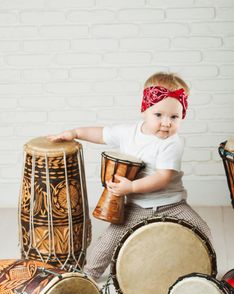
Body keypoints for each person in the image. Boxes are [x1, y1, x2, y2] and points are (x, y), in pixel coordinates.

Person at [48, 72, 212, 281]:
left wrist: (131, 187)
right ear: (145, 109)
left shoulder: (173, 143)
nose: (166, 123)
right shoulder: (128, 133)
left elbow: (162, 177)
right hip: (136, 207)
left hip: (173, 205)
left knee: (202, 230)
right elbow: (101, 134)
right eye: (159, 115)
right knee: (108, 240)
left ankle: (205, 272)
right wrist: (75, 133)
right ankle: (88, 276)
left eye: (174, 117)